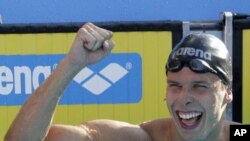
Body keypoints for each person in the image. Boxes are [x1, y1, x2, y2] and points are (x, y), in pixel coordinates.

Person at [4, 23, 239, 141]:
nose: (184, 99)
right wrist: (71, 64)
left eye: (199, 86)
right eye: (175, 85)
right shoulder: (141, 138)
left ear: (227, 92)